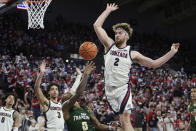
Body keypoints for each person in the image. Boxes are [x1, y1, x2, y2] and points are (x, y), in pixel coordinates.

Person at [93, 3, 180, 131]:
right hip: (109, 89)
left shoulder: (132, 53)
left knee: (125, 120)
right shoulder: (109, 45)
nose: (117, 35)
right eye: (116, 33)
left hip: (122, 89)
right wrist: (107, 10)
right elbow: (97, 26)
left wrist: (172, 52)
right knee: (123, 123)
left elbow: (154, 64)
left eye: (120, 33)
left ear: (127, 36)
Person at [62, 62, 118, 131]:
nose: (68, 93)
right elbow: (78, 93)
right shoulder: (65, 108)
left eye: (68, 93)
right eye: (66, 94)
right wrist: (85, 75)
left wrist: (110, 127)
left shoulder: (86, 109)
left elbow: (98, 125)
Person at [34, 61, 64, 131]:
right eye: (52, 89)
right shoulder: (47, 103)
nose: (54, 91)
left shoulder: (61, 103)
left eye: (56, 89)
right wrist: (41, 73)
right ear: (49, 92)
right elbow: (37, 88)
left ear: (58, 92)